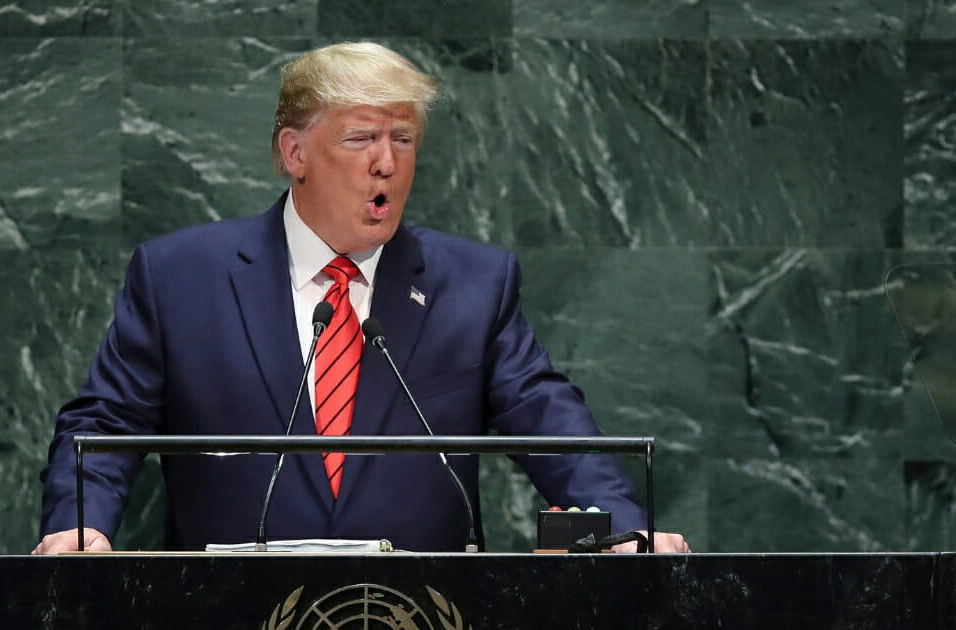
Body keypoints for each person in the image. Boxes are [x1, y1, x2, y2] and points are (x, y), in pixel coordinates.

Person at [35, 42, 688, 554]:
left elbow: (549, 419)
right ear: (295, 152)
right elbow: (103, 429)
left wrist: (621, 526)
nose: (386, 162)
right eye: (361, 138)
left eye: (402, 139)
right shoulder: (181, 278)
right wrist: (78, 525)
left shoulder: (473, 284)